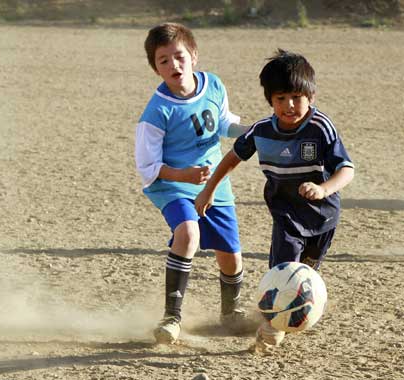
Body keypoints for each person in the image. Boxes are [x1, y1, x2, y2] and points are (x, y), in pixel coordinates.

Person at [195, 49, 354, 351]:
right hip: (287, 215)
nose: (289, 106)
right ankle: (268, 329)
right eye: (280, 98)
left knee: (304, 278)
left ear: (311, 95)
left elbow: (346, 169)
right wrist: (208, 190)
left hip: (324, 218)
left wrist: (323, 189)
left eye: (296, 97)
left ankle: (288, 315)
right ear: (270, 100)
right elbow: (232, 158)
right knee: (283, 272)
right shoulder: (262, 131)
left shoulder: (321, 128)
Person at [135, 22, 250, 345]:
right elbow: (147, 168)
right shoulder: (157, 112)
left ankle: (230, 312)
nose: (174, 65)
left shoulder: (213, 85)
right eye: (163, 61)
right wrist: (183, 175)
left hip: (213, 182)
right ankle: (171, 317)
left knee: (230, 255)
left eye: (179, 56)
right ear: (155, 68)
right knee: (188, 233)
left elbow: (224, 123)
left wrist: (254, 131)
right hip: (171, 184)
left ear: (194, 56)